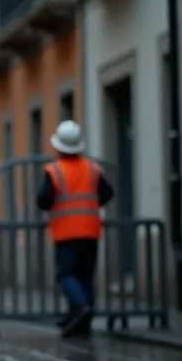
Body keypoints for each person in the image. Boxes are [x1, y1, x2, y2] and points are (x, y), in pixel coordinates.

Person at [36, 120, 114, 338]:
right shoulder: (92, 168)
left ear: (59, 146)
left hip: (66, 232)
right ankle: (81, 322)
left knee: (65, 274)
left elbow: (43, 199)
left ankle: (80, 308)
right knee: (85, 276)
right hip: (90, 230)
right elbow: (107, 194)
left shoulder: (54, 170)